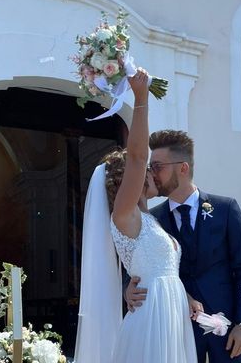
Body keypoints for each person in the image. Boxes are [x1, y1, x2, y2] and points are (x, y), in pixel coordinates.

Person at [74, 69, 197, 363]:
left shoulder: (150, 219)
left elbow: (161, 269)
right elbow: (139, 156)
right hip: (152, 319)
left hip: (171, 314)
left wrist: (187, 299)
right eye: (147, 170)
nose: (152, 172)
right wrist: (141, 100)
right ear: (134, 177)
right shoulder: (124, 214)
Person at [125, 129, 241, 363]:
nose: (151, 174)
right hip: (174, 330)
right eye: (150, 167)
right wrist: (128, 288)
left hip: (226, 331)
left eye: (158, 166)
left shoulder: (226, 209)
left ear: (183, 168)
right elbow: (137, 263)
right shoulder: (151, 219)